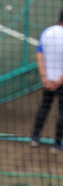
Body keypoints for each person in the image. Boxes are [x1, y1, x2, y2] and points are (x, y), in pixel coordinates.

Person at [30, 10, 63, 152]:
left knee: (44, 107)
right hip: (61, 82)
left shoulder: (47, 32)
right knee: (62, 112)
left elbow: (39, 55)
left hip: (47, 81)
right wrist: (60, 80)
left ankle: (34, 137)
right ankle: (57, 143)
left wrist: (44, 77)